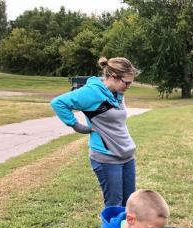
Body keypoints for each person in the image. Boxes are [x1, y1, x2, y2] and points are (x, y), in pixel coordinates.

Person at [51, 57, 139, 208]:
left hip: (126, 155)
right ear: (112, 77)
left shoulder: (117, 92)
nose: (129, 86)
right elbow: (58, 103)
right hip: (107, 158)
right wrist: (75, 125)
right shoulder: (92, 92)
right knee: (114, 207)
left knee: (129, 205)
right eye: (127, 82)